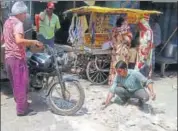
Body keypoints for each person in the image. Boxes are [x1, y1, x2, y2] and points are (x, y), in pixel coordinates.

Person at [2, 1, 43, 116]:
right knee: (21, 84)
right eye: (24, 13)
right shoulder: (18, 23)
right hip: (17, 58)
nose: (25, 16)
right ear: (19, 13)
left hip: (8, 58)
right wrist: (33, 41)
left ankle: (22, 103)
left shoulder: (7, 22)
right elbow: (19, 41)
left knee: (17, 83)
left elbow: (3, 38)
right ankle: (21, 110)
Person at [108, 17, 133, 85]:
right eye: (125, 22)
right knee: (122, 66)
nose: (126, 24)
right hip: (122, 52)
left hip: (116, 50)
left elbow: (112, 39)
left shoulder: (114, 30)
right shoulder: (126, 31)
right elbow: (128, 41)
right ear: (122, 23)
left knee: (114, 66)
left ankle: (113, 81)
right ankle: (120, 82)